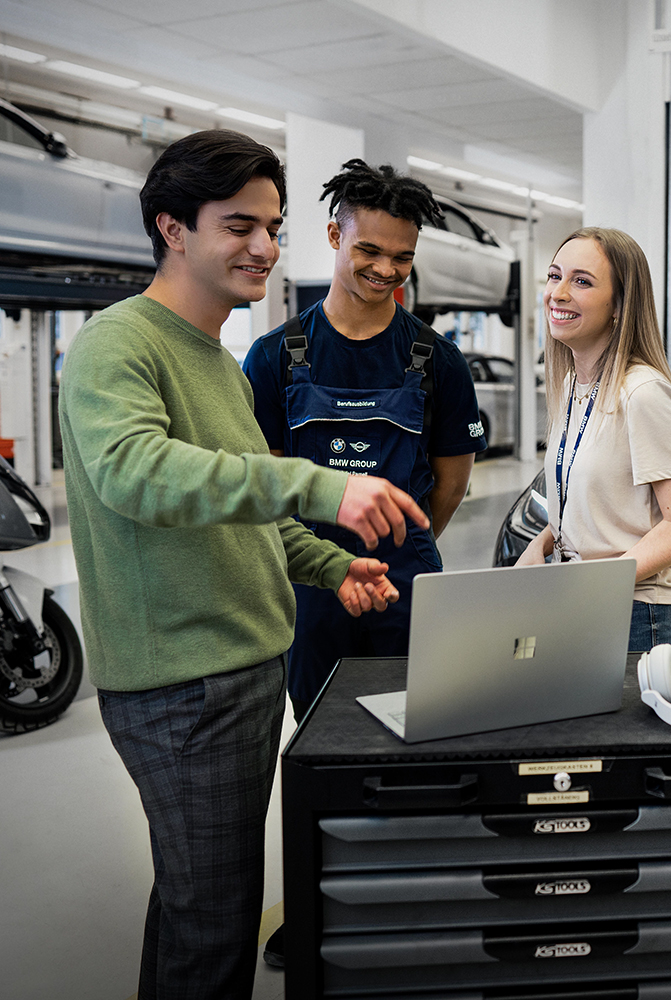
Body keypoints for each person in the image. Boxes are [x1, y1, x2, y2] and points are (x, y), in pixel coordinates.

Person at [57, 129, 429, 1000]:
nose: (264, 247)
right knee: (215, 922)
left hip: (240, 666)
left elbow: (242, 514)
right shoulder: (121, 344)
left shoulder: (219, 365)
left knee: (199, 903)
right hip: (184, 682)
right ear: (172, 228)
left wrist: (328, 566)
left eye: (273, 226)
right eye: (239, 226)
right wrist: (318, 485)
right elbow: (137, 473)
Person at [242, 157, 485, 967]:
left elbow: (449, 485)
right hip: (310, 588)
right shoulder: (276, 358)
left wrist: (402, 548)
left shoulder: (437, 361)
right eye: (369, 250)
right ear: (335, 234)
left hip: (411, 584)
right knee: (319, 750)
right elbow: (265, 485)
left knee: (422, 742)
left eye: (402, 256)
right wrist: (327, 557)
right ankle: (316, 904)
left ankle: (414, 899)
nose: (384, 269)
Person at [516, 227, 671, 652]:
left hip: (638, 616)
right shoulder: (572, 386)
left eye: (581, 281)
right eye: (554, 276)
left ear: (619, 305)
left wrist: (595, 585)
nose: (558, 293)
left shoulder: (642, 394)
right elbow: (592, 506)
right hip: (582, 601)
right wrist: (541, 542)